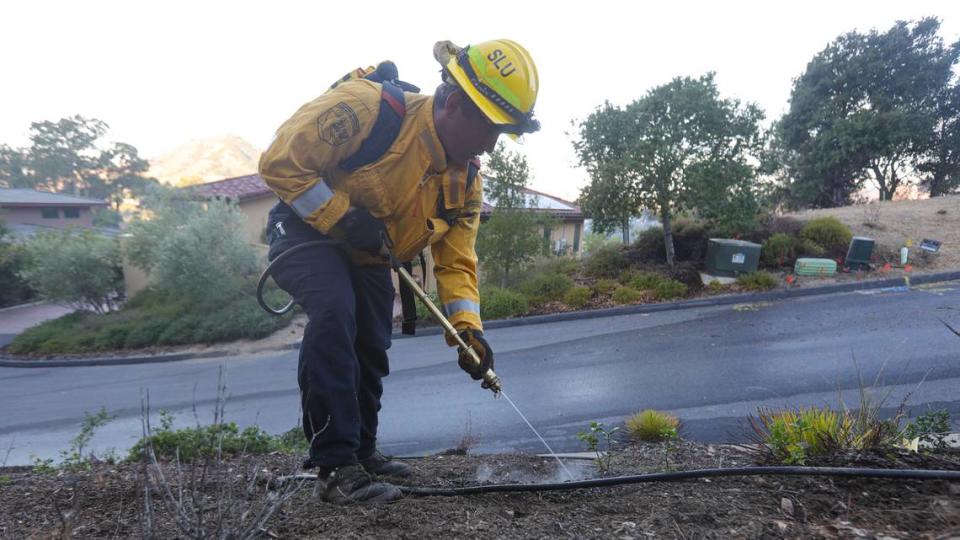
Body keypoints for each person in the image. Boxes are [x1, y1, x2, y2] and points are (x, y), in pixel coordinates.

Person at [259, 39, 540, 503]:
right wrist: (342, 215)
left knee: (371, 340)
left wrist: (468, 333)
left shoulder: (465, 181)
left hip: (369, 256)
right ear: (453, 103)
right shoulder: (365, 109)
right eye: (490, 128)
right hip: (308, 234)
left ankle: (363, 452)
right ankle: (335, 468)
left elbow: (456, 263)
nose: (491, 145)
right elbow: (279, 164)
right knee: (335, 313)